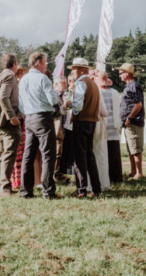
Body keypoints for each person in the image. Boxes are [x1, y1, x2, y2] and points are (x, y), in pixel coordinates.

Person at [18, 52, 60, 199]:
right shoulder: (43, 78)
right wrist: (56, 105)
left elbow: (21, 104)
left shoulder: (23, 80)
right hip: (43, 118)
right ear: (37, 62)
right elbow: (52, 98)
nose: (47, 64)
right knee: (48, 154)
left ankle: (26, 191)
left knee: (28, 155)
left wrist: (28, 113)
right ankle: (48, 191)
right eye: (45, 62)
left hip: (29, 118)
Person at [65, 59, 103, 197]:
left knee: (79, 156)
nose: (72, 71)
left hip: (81, 121)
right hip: (91, 121)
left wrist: (70, 105)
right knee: (89, 155)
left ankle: (81, 189)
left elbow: (78, 105)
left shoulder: (81, 83)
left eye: (74, 69)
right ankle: (96, 189)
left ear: (82, 70)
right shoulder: (93, 83)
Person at [0, 54, 23, 197]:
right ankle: (5, 188)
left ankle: (1, 186)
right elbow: (2, 97)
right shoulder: (10, 77)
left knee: (2, 155)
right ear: (14, 64)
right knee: (8, 155)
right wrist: (12, 117)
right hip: (8, 122)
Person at [117, 63, 145, 180]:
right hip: (128, 123)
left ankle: (139, 173)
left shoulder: (134, 86)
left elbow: (138, 104)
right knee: (131, 148)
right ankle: (133, 171)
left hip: (133, 122)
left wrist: (129, 118)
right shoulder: (128, 86)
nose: (119, 76)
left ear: (127, 73)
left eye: (120, 73)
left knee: (136, 149)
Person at [86, 69, 110, 192]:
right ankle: (102, 182)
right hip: (98, 123)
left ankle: (89, 183)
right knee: (100, 154)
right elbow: (105, 112)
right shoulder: (97, 91)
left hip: (86, 123)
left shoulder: (83, 89)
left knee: (89, 154)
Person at [98, 72, 122, 183]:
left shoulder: (99, 92)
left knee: (104, 153)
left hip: (104, 124)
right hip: (115, 124)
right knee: (115, 153)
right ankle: (116, 176)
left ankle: (106, 176)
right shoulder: (115, 92)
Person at [11, 66, 29, 190]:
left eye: (21, 73)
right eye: (17, 73)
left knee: (24, 151)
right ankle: (15, 180)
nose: (19, 75)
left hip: (26, 120)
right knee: (16, 151)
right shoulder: (12, 86)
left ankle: (24, 178)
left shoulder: (26, 86)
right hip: (17, 119)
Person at [59, 73, 76, 176]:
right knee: (67, 148)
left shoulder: (77, 92)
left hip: (75, 123)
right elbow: (65, 110)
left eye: (70, 81)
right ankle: (66, 170)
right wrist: (65, 105)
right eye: (67, 81)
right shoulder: (68, 93)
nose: (68, 83)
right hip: (68, 123)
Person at [53, 76, 69, 182]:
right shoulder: (54, 95)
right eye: (62, 83)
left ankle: (58, 173)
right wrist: (63, 107)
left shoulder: (64, 96)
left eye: (65, 83)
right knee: (57, 153)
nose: (64, 85)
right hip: (56, 128)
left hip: (63, 127)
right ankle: (54, 174)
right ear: (56, 85)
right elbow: (53, 110)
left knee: (61, 153)